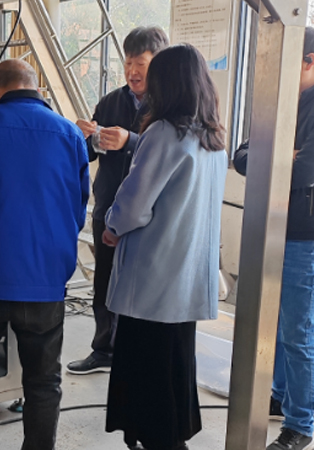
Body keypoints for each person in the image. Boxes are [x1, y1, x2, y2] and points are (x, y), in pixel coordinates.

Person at [0, 59, 90, 450]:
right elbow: (78, 208)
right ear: (36, 87)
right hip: (45, 280)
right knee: (43, 382)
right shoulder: (69, 134)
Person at [101, 44, 228, 450]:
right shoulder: (213, 139)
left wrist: (112, 226)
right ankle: (171, 437)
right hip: (188, 273)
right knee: (175, 364)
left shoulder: (163, 133)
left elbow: (135, 204)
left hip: (154, 277)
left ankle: (158, 439)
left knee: (147, 368)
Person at [67, 26, 169, 375]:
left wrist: (130, 141)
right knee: (105, 281)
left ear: (159, 63)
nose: (132, 72)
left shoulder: (168, 106)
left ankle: (137, 353)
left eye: (140, 63)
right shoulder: (111, 101)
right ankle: (104, 348)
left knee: (143, 284)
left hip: (149, 213)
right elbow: (88, 156)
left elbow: (167, 153)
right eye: (127, 63)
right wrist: (82, 138)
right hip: (109, 206)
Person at [233, 26, 314, 450]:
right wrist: (284, 156)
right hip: (275, 228)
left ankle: (301, 424)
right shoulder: (282, 103)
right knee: (278, 323)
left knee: (298, 332)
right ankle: (281, 397)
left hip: (303, 235)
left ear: (310, 61)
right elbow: (241, 156)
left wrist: (278, 159)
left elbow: (304, 172)